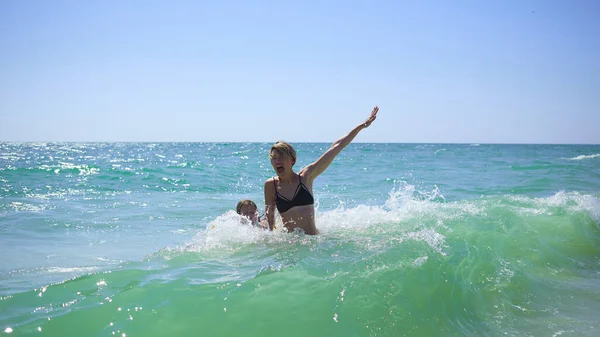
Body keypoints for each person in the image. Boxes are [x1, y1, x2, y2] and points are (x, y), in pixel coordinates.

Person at [262, 106, 379, 235]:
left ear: (292, 160)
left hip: (313, 242)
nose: (277, 161)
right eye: (274, 159)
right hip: (290, 246)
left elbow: (337, 146)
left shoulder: (306, 177)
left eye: (282, 158)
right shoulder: (270, 185)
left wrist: (361, 126)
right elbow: (270, 225)